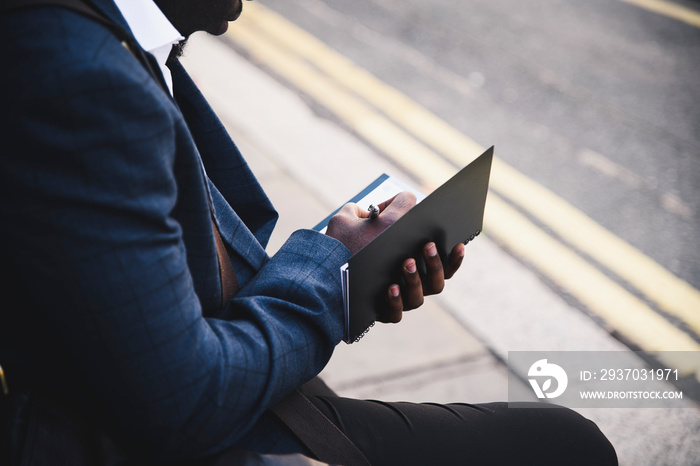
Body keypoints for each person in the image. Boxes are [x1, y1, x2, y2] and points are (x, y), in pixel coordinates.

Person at [0, 0, 618, 464]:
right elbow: (186, 407)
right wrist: (328, 270)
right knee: (567, 446)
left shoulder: (97, 36)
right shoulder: (79, 75)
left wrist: (354, 274)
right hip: (148, 438)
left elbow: (155, 281)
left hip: (158, 398)